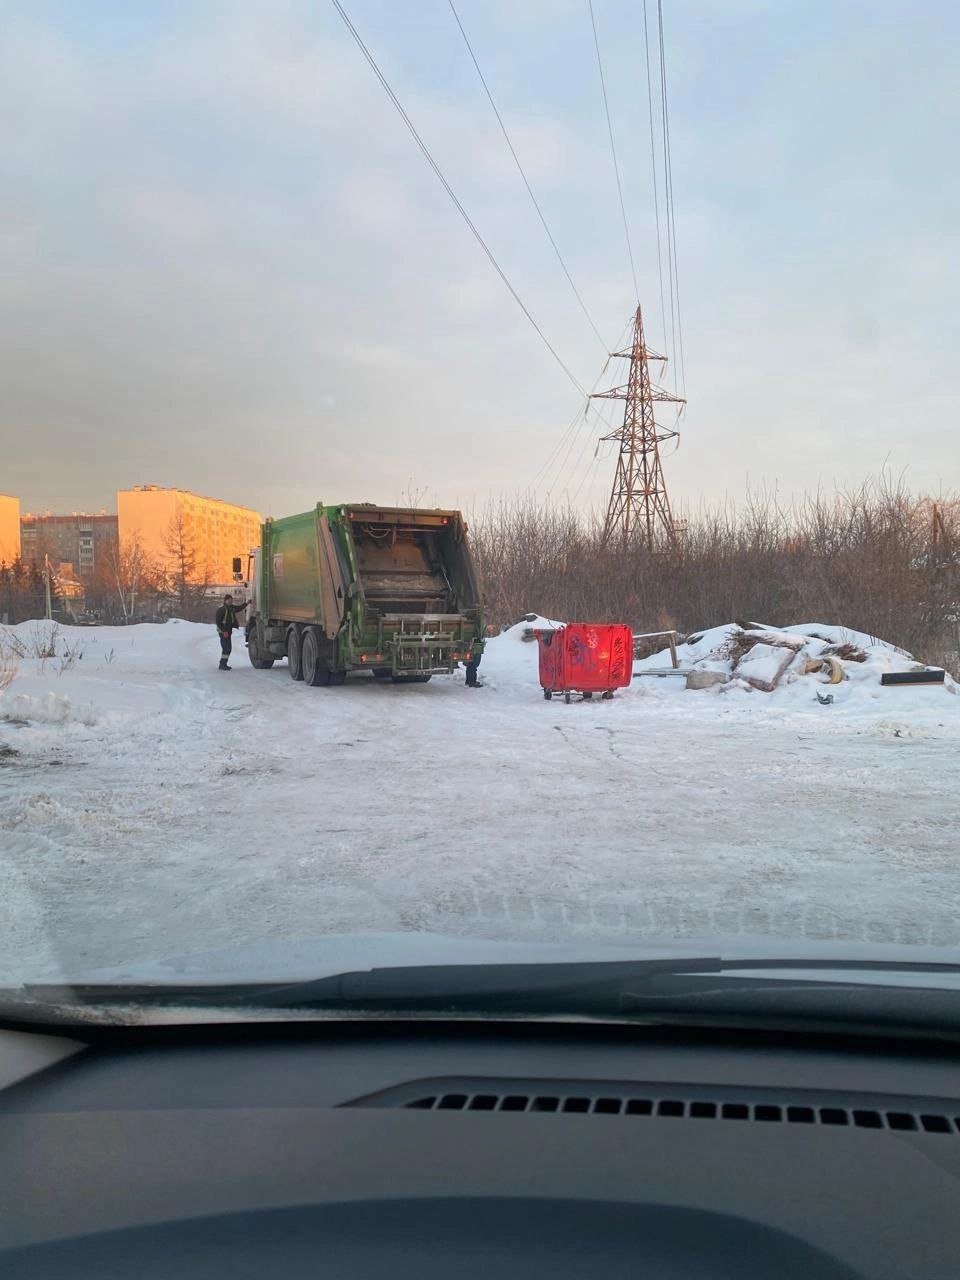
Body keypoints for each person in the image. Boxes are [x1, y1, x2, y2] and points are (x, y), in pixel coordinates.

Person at [215, 594, 249, 671]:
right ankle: (222, 664)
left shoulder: (231, 608)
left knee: (228, 648)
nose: (231, 601)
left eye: (231, 600)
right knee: (226, 648)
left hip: (228, 631)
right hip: (223, 632)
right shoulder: (221, 610)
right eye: (229, 600)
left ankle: (223, 663)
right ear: (225, 600)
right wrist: (224, 631)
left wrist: (247, 603)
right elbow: (218, 622)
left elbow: (239, 608)